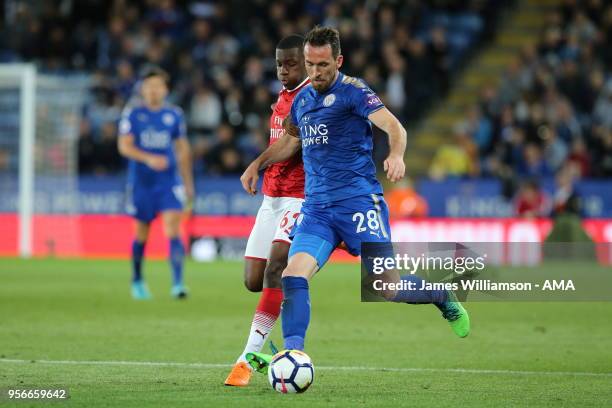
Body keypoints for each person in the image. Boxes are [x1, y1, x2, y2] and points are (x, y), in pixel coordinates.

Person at [240, 27, 470, 373]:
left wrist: (396, 155)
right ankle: (294, 352)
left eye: (322, 65)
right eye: (309, 64)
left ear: (338, 61)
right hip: (318, 210)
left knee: (385, 287)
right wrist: (258, 163)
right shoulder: (302, 102)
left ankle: (441, 296)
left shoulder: (354, 92)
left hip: (359, 205)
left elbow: (395, 128)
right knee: (293, 273)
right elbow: (289, 143)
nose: (315, 73)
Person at [224, 34, 310, 387]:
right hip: (271, 199)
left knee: (277, 268)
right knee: (252, 281)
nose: (284, 70)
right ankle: (280, 330)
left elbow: (289, 148)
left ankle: (246, 359)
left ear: (306, 64)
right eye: (279, 64)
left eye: (291, 64)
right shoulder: (281, 99)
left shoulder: (310, 98)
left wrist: (255, 164)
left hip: (300, 198)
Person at [117, 66, 194, 300]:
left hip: (168, 181)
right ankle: (138, 280)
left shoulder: (174, 115)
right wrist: (149, 158)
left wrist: (188, 182)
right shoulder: (133, 114)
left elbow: (182, 149)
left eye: (158, 86)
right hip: (141, 182)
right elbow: (124, 146)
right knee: (142, 233)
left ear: (165, 89)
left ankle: (178, 284)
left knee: (173, 226)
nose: (154, 90)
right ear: (142, 89)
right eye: (149, 86)